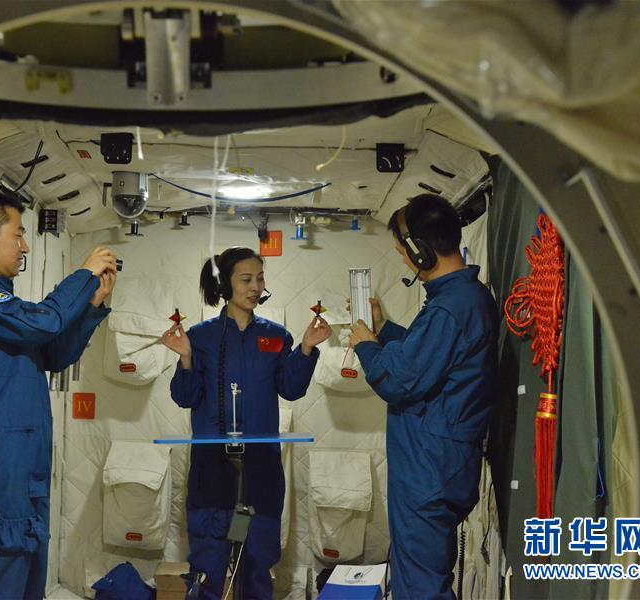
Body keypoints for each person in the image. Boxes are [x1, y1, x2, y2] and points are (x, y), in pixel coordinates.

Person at [0, 191, 118, 599]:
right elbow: (42, 323)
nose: (25, 246)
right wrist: (83, 275)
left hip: (22, 462)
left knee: (28, 575)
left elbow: (53, 354)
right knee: (2, 577)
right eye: (18, 234)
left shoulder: (3, 301)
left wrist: (91, 305)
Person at [348, 194, 498, 600]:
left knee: (420, 588)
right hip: (439, 463)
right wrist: (383, 329)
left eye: (402, 251)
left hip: (428, 468)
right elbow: (431, 357)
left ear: (420, 251)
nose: (402, 260)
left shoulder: (450, 307)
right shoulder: (463, 299)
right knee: (421, 581)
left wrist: (365, 345)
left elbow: (399, 379)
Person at [161, 247, 331, 600]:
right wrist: (186, 358)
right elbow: (186, 397)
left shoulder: (277, 336)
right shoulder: (200, 337)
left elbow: (291, 389)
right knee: (208, 565)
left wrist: (306, 349)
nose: (256, 287)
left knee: (256, 562)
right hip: (212, 471)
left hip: (260, 470)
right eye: (246, 279)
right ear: (226, 284)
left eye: (260, 279)